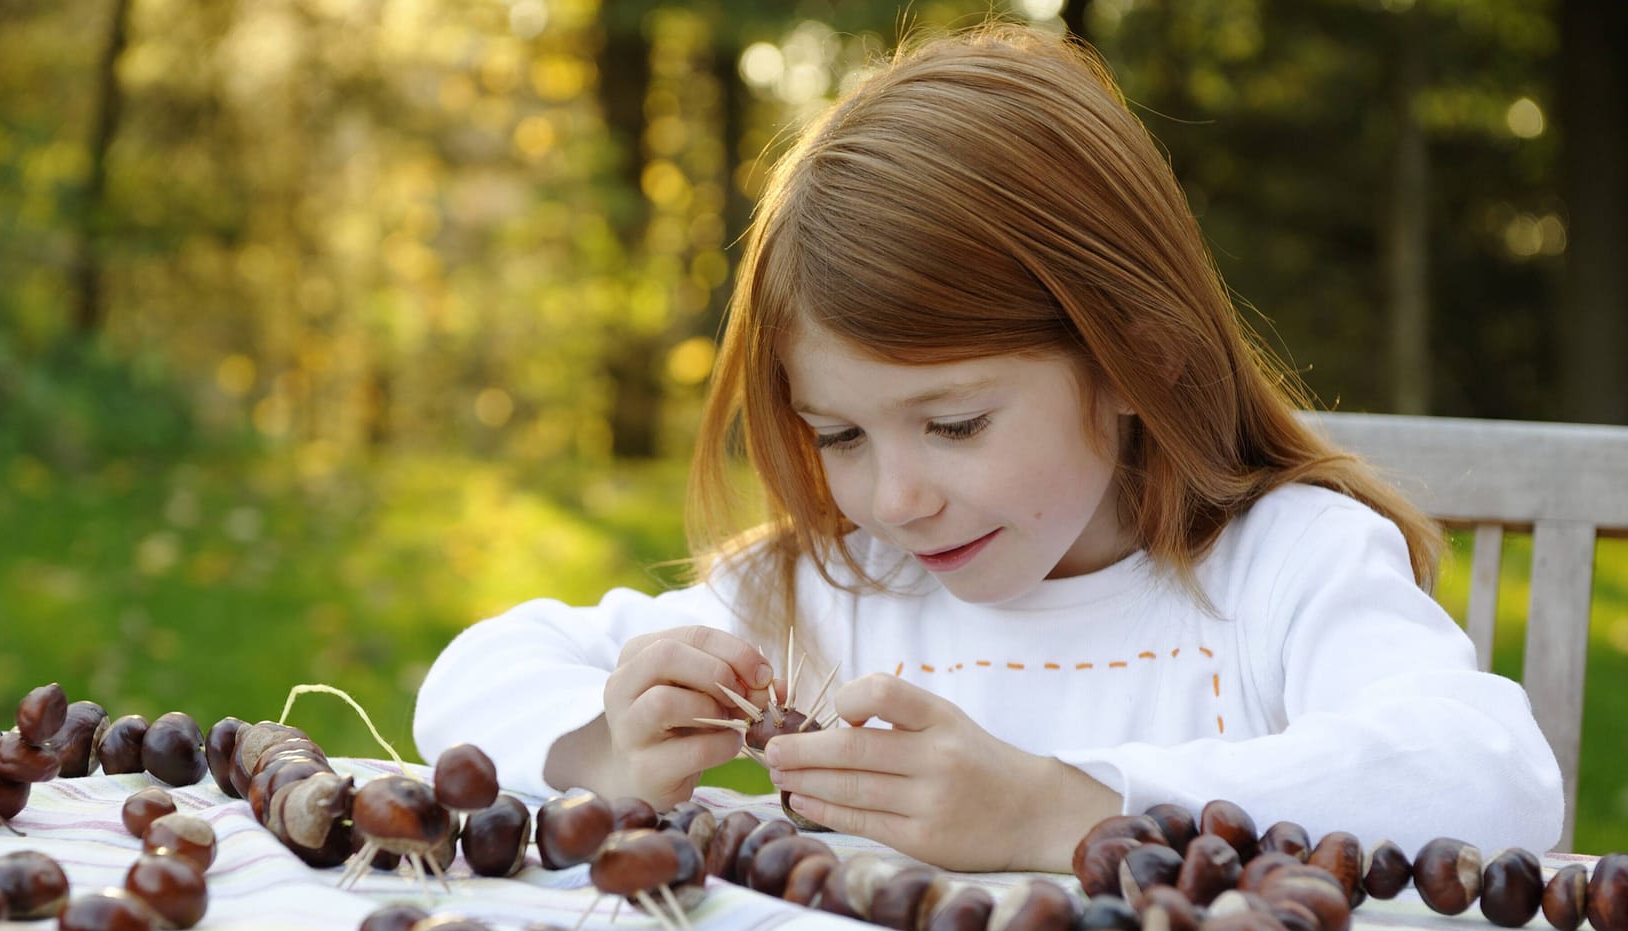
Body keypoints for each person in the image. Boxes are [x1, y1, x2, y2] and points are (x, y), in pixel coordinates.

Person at [412, 23, 1564, 871]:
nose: (895, 496)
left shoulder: (1285, 568)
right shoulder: (831, 589)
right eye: (839, 435)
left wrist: (1064, 809)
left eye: (954, 424)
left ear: (1132, 358)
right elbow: (474, 677)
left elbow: (1492, 776)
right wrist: (610, 749)